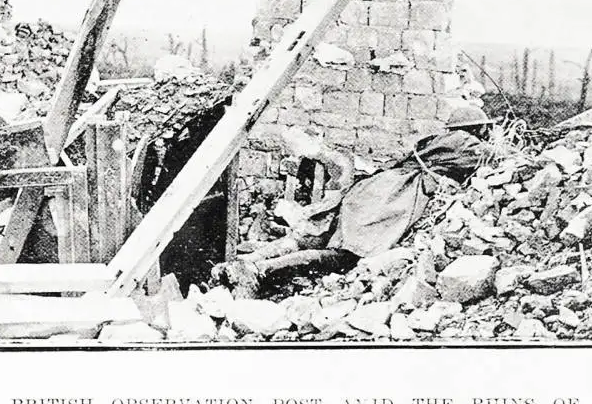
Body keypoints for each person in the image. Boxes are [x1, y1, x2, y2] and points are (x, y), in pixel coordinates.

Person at [211, 105, 498, 295]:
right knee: (346, 255)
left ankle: (246, 262)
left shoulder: (435, 140)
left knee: (315, 235)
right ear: (476, 128)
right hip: (392, 196)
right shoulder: (468, 143)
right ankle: (260, 270)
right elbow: (493, 156)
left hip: (372, 187)